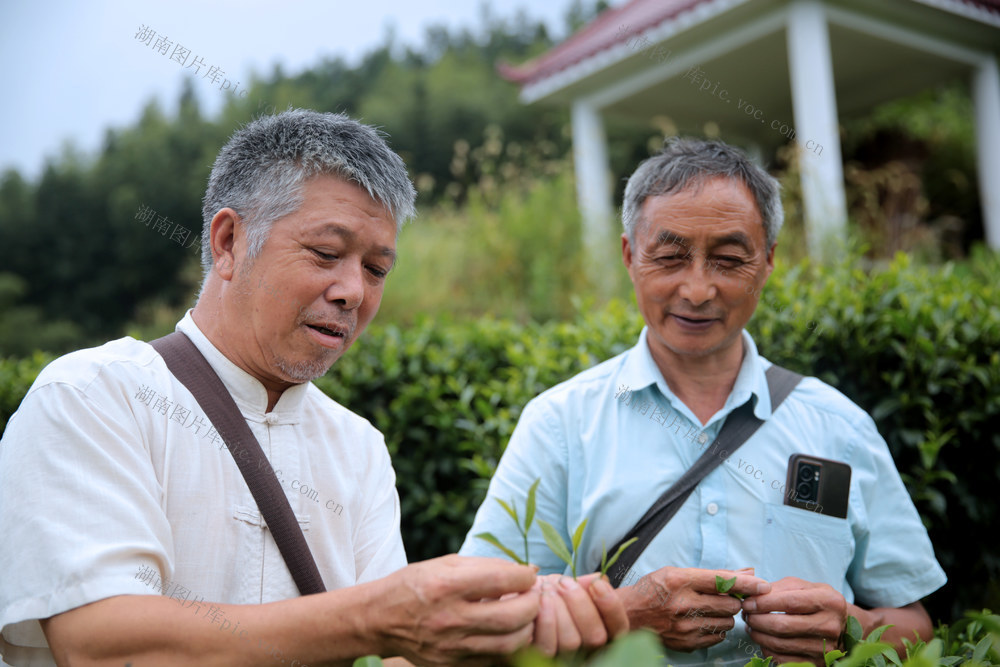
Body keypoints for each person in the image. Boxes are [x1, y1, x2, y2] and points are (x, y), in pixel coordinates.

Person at [0, 109, 626, 666]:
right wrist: (374, 617)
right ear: (229, 242)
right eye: (327, 253)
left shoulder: (358, 447)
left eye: (376, 269)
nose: (353, 291)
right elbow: (103, 647)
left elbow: (390, 655)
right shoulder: (92, 397)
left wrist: (513, 632)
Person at [459, 138, 946, 666]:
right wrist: (626, 616)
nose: (696, 290)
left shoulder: (839, 428)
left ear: (767, 262)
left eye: (729, 260)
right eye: (670, 257)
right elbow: (479, 621)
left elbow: (915, 624)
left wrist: (853, 627)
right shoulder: (558, 425)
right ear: (629, 256)